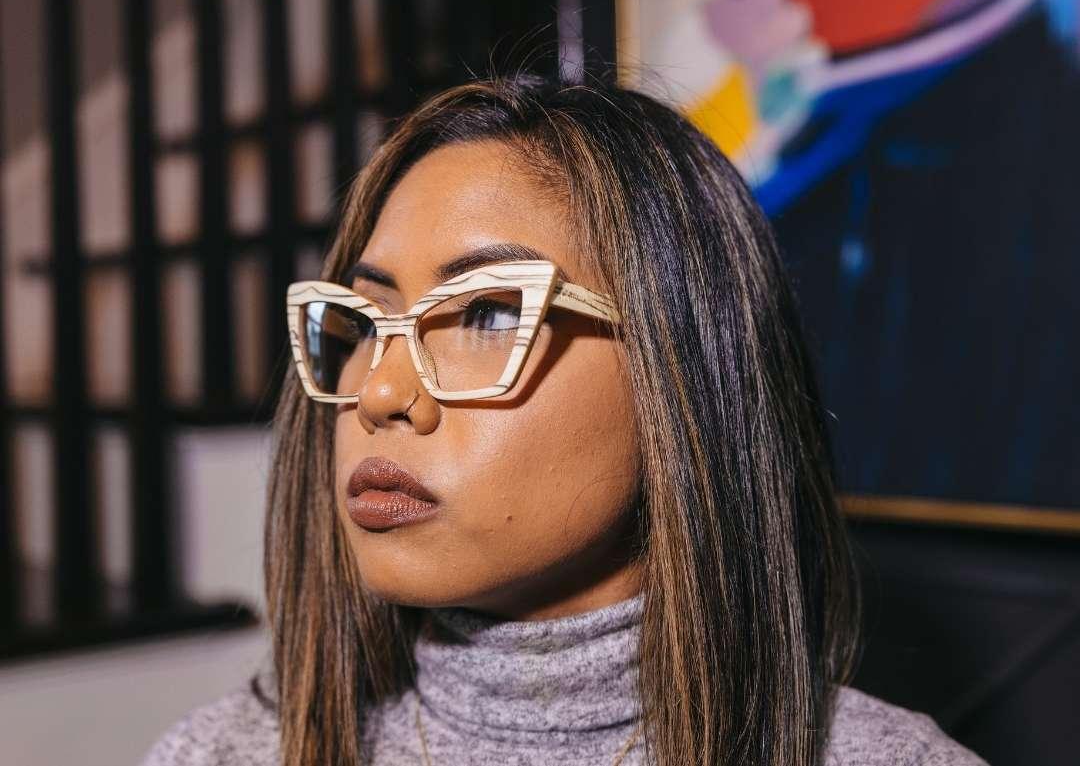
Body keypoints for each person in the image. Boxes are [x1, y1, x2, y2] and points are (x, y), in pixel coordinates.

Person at [140, 73, 989, 765]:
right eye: (365, 323)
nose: (379, 393)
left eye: (486, 314)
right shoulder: (223, 753)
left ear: (680, 370)